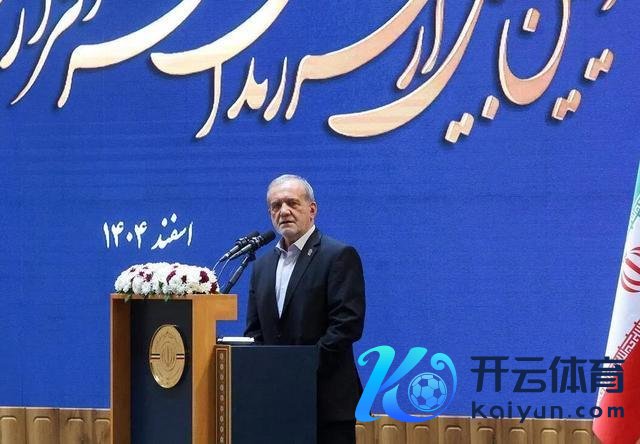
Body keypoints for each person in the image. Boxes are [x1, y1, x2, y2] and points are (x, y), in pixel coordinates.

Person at [244, 174, 366, 444]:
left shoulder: (338, 255)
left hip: (326, 402)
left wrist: (299, 370)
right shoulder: (261, 266)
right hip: (276, 403)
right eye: (276, 206)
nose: (284, 211)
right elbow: (255, 331)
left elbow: (347, 325)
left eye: (292, 203)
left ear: (312, 210)